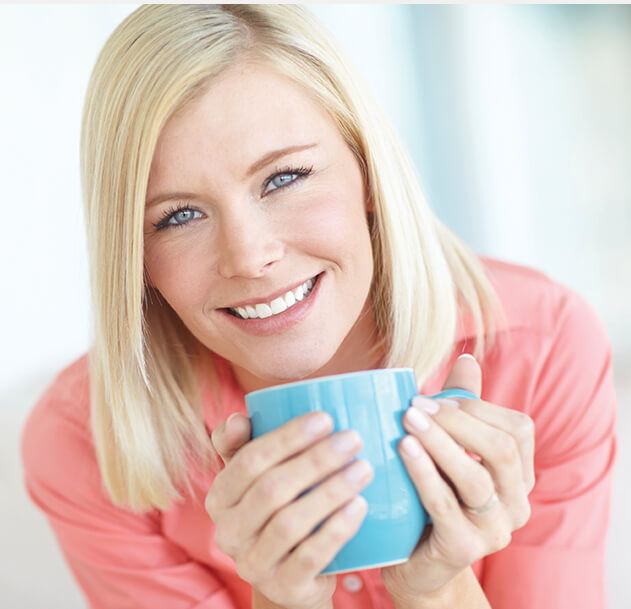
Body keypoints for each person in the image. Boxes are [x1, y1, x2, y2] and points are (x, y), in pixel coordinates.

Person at [21, 5, 617, 609]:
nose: (249, 255)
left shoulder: (541, 349)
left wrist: (437, 591)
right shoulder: (82, 445)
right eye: (179, 216)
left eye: (283, 178)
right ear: (135, 260)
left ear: (368, 170)